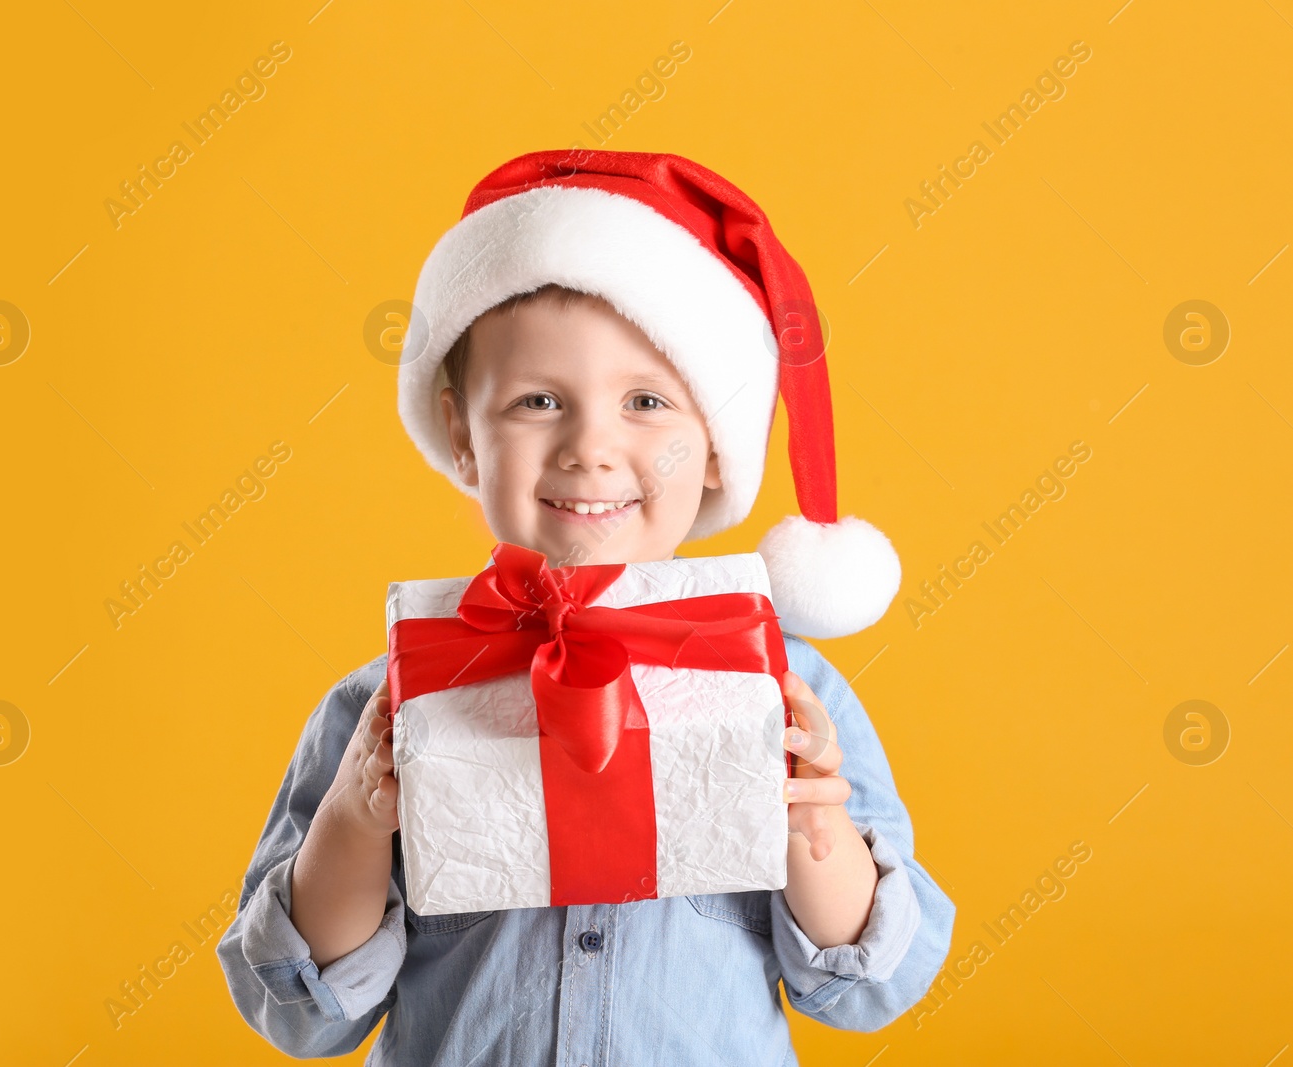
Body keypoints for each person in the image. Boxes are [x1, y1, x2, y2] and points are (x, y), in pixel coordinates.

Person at [216, 150, 955, 1064]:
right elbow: (300, 1009)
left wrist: (815, 827)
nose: (590, 447)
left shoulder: (790, 690)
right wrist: (357, 824)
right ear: (462, 435)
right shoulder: (390, 701)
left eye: (646, 401)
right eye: (537, 401)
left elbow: (874, 986)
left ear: (719, 446)